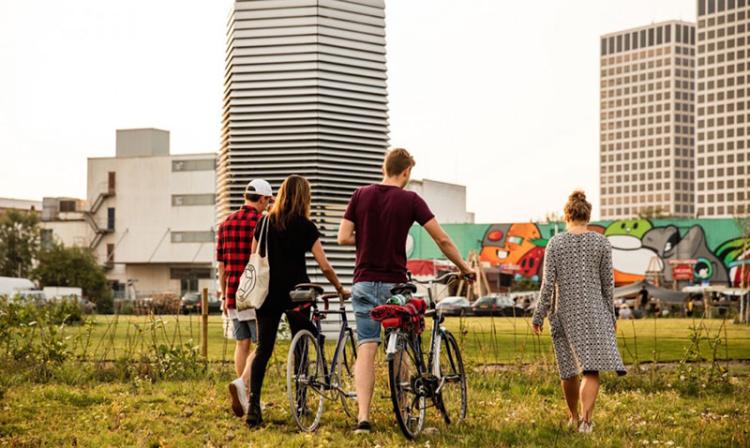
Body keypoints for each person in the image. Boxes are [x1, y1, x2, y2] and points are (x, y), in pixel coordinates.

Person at [337, 147, 474, 434]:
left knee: (367, 347)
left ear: (383, 167)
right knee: (401, 344)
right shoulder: (410, 199)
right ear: (407, 172)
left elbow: (342, 237)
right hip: (395, 286)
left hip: (362, 283)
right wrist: (464, 267)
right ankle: (406, 413)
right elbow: (442, 239)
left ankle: (363, 418)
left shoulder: (359, 195)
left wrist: (368, 239)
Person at [246, 175, 349, 428]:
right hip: (297, 294)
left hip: (267, 293)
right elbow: (323, 264)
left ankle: (253, 406)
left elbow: (253, 255)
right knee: (302, 344)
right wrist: (339, 287)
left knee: (263, 349)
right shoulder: (305, 226)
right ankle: (301, 402)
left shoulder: (265, 221)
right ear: (305, 197)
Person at [532, 190, 626, 434]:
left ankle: (573, 417)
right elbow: (608, 285)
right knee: (591, 368)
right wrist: (611, 316)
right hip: (595, 312)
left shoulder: (555, 243)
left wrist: (539, 315)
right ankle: (586, 421)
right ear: (588, 215)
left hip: (563, 313)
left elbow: (548, 284)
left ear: (567, 216)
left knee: (568, 369)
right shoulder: (602, 242)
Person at [216, 179, 273, 418]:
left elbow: (221, 266)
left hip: (232, 293)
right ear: (261, 199)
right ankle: (243, 386)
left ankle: (244, 394)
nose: (268, 205)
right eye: (268, 200)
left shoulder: (225, 224)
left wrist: (223, 293)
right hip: (256, 294)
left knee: (242, 344)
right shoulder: (263, 223)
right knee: (262, 346)